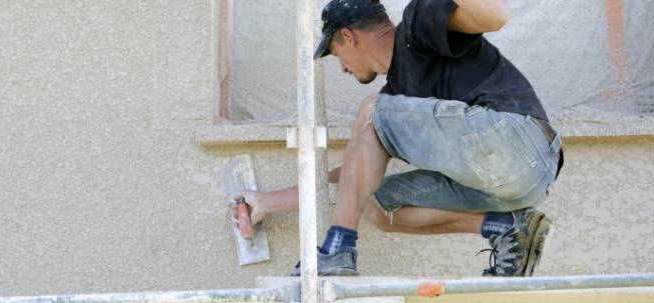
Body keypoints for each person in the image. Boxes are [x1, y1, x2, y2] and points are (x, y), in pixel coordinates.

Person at [237, 0, 563, 277]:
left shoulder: (417, 23)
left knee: (371, 110)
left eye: (336, 55)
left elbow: (494, 17)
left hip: (518, 140)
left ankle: (338, 247)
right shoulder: (395, 99)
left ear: (347, 36)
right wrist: (269, 201)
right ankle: (507, 228)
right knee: (379, 206)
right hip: (519, 185)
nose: (343, 70)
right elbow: (355, 177)